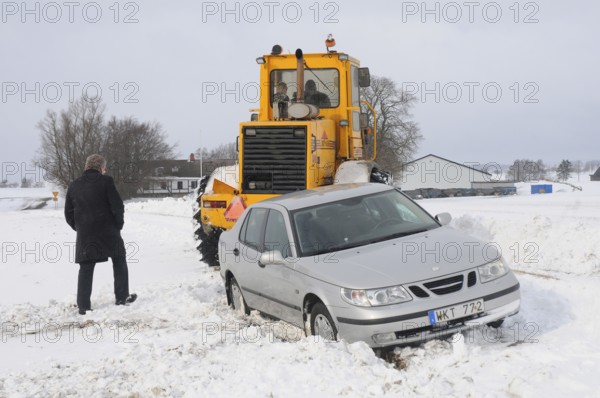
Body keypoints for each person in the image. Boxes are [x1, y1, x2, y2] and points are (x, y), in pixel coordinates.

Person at [65, 154, 137, 315]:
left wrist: (80, 228)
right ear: (100, 167)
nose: (105, 170)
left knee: (86, 266)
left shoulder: (74, 185)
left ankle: (83, 305)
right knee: (119, 259)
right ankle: (122, 297)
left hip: (86, 234)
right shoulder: (107, 181)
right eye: (104, 167)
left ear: (87, 166)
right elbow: (117, 206)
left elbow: (68, 213)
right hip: (108, 230)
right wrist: (118, 225)